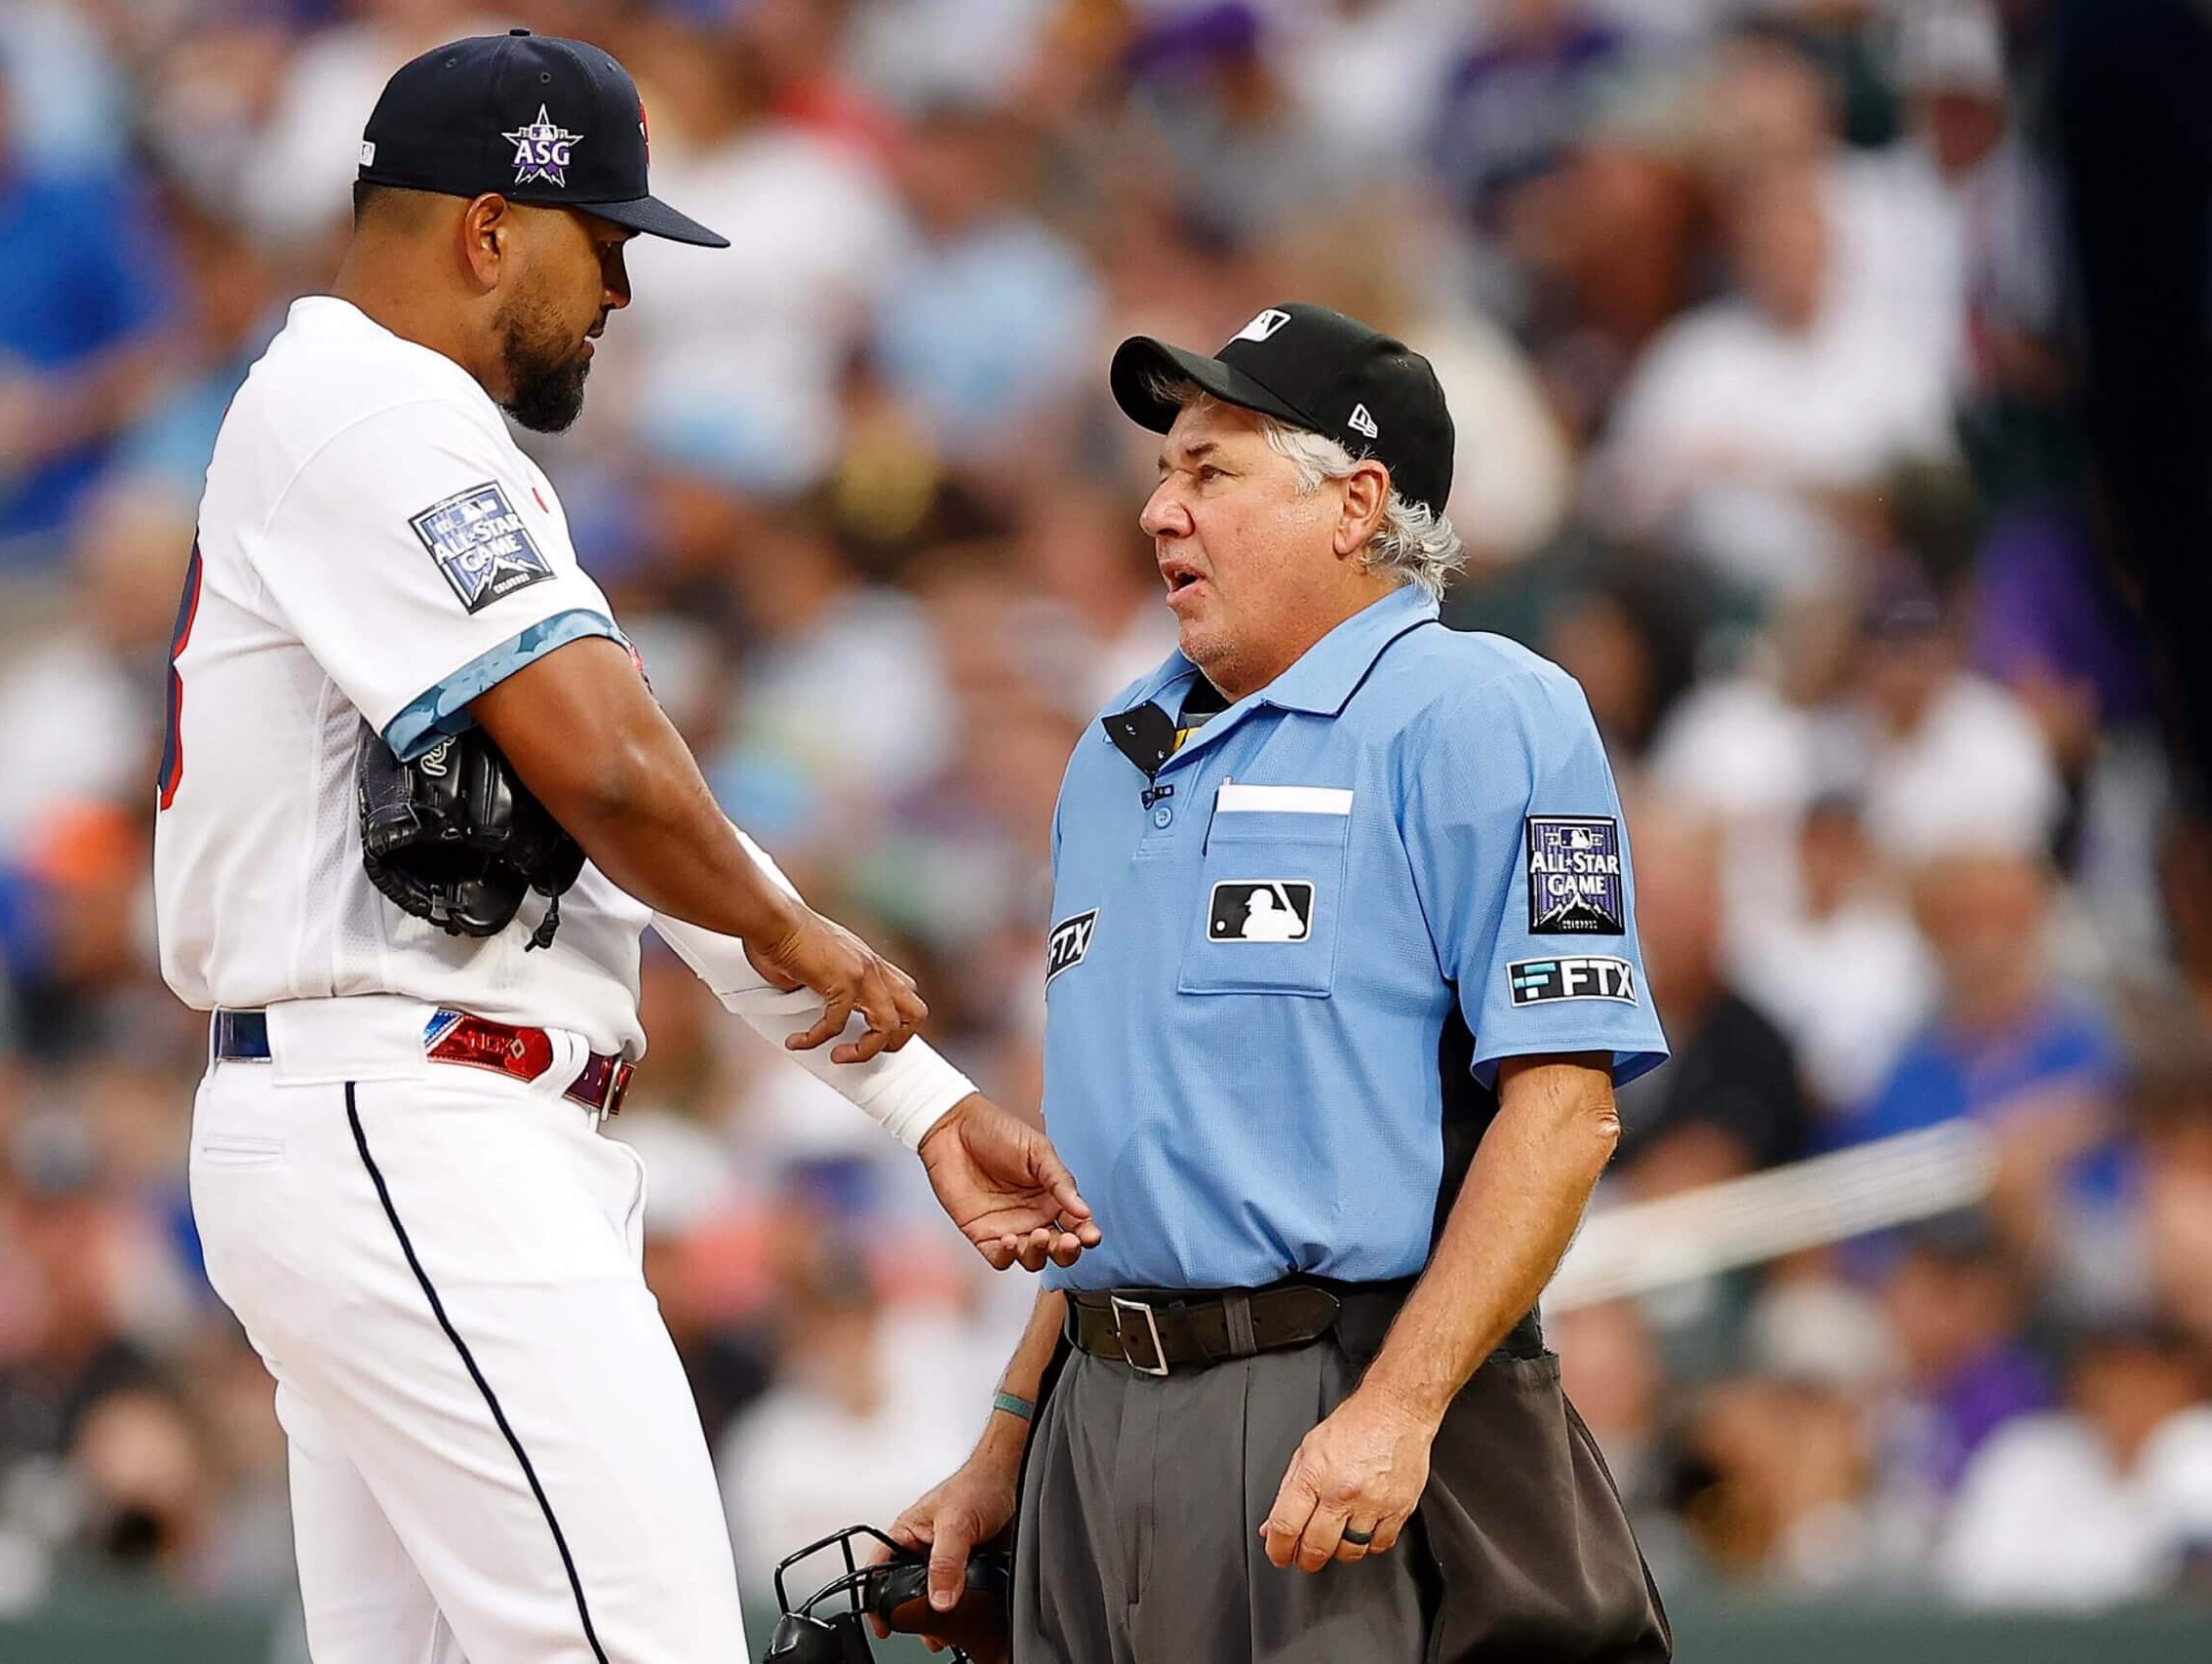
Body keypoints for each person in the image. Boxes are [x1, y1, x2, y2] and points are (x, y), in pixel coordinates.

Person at [151, 33, 1097, 1664]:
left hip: (402, 1118)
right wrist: (811, 947)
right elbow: (617, 775)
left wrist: (917, 1096)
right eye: (608, 240)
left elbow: (637, 822)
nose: (626, 290)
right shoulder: (367, 410)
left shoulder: (386, 428)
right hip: (412, 1122)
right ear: (488, 230)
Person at [878, 303, 1671, 1661]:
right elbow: (1124, 1163)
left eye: (1209, 471)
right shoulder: (1115, 755)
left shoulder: (1483, 710)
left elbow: (1564, 1110)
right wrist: (1006, 1438)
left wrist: (1401, 1408)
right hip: (1095, 1418)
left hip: (1328, 1406)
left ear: (1356, 504)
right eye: (1159, 473)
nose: (1158, 514)